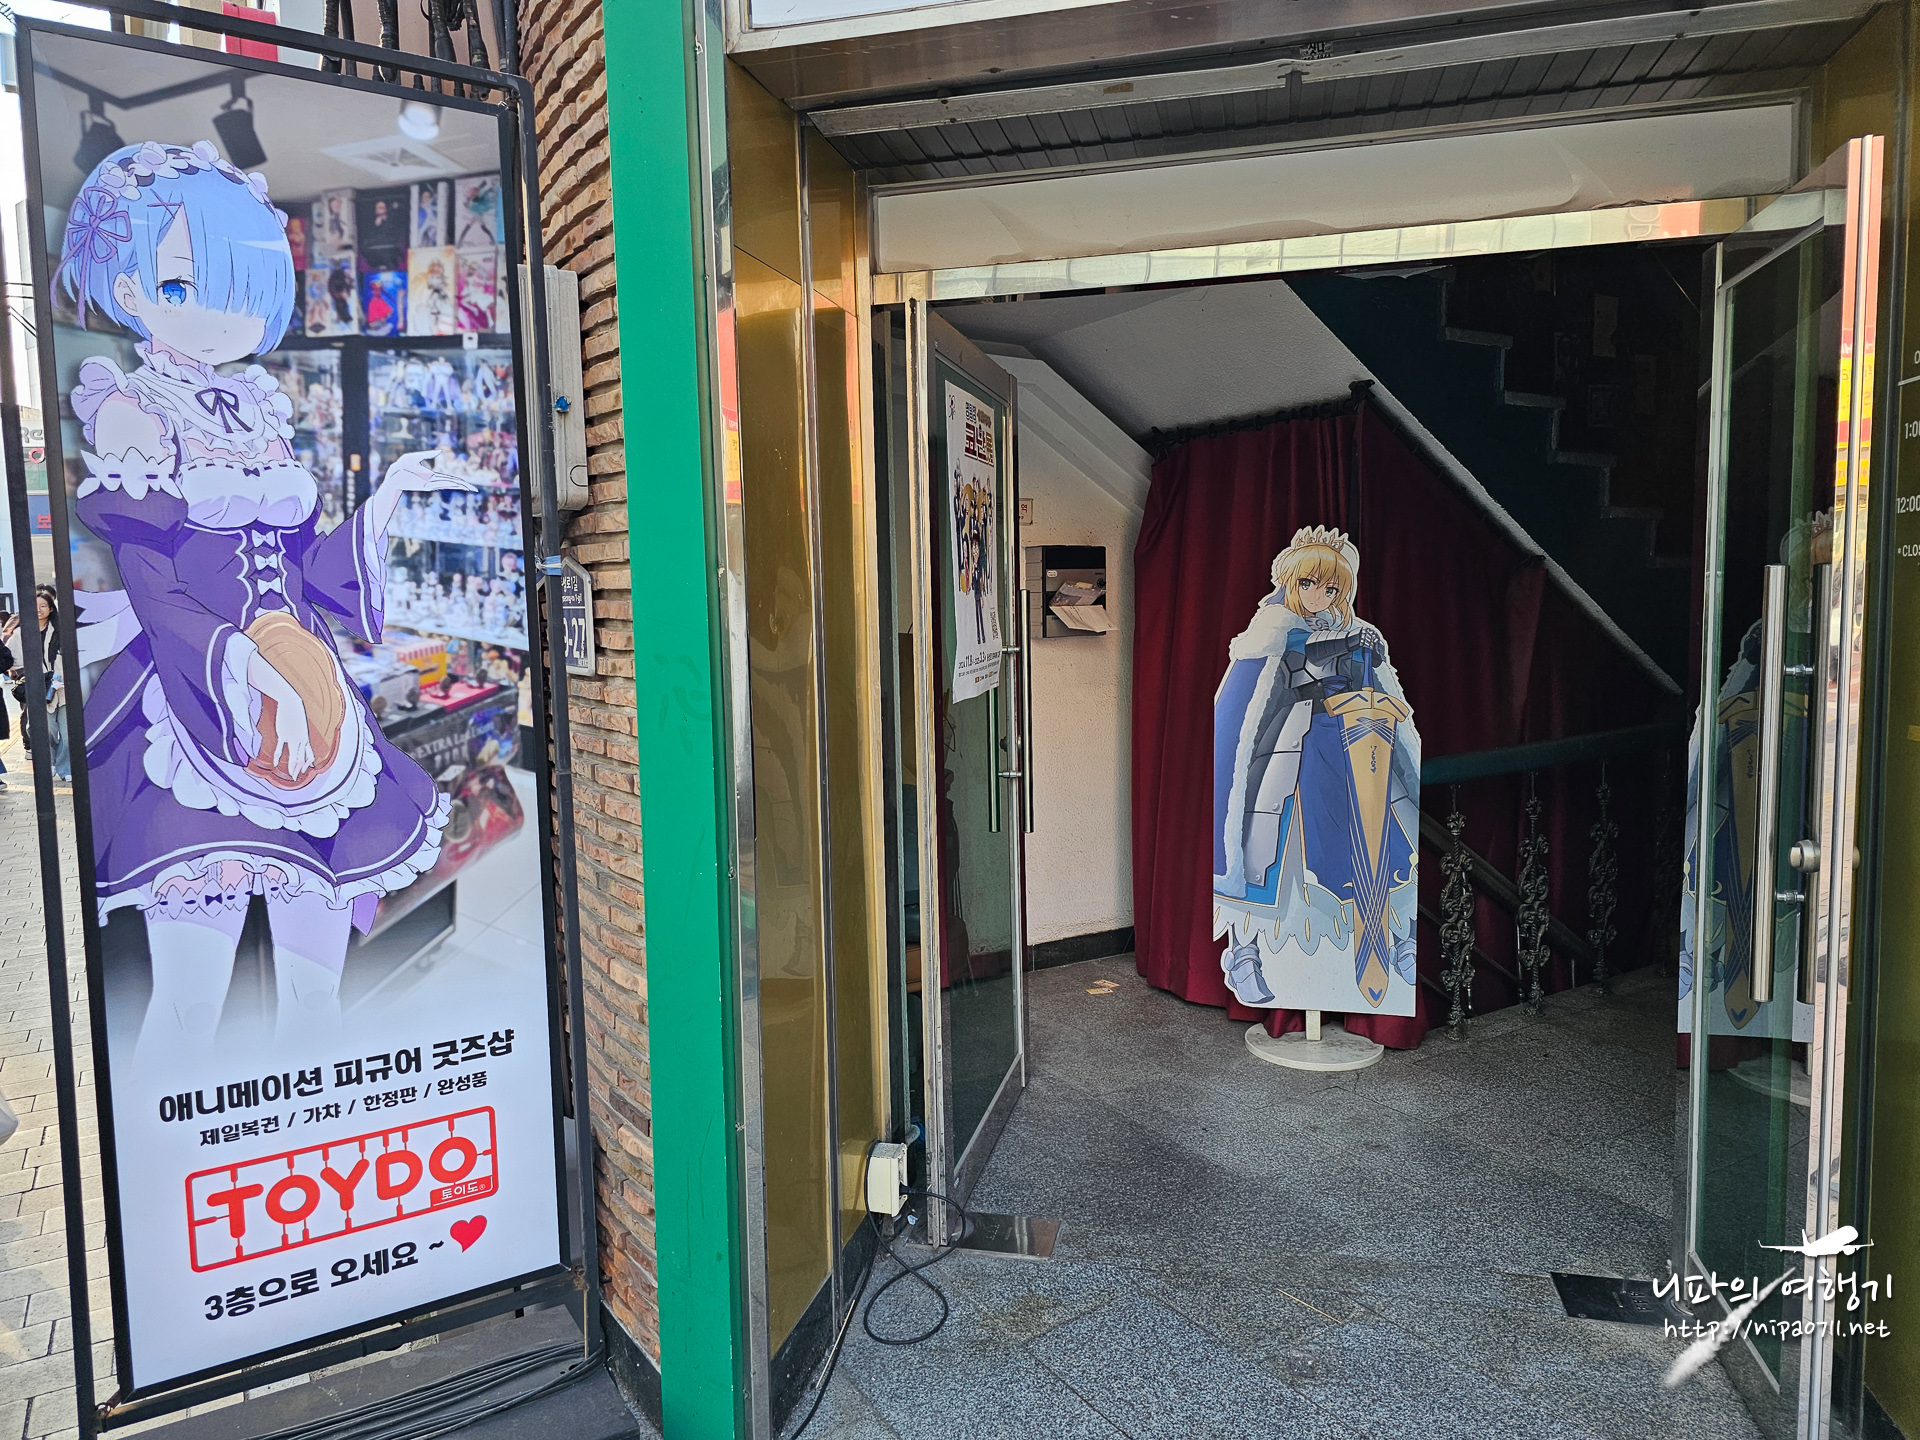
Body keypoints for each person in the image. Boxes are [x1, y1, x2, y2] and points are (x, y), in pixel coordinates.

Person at [57, 139, 468, 1067]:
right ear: (129, 291)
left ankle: (311, 1123)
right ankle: (189, 1140)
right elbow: (153, 588)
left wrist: (390, 495)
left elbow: (308, 569)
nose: (218, 313)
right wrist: (241, 664)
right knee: (190, 1003)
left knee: (317, 990)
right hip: (198, 702)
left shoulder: (259, 405)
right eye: (183, 285)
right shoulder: (130, 410)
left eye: (241, 288)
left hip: (311, 693)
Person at [1211, 526, 1421, 1011]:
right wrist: (1340, 648)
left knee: (1389, 838)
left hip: (1352, 749)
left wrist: (1369, 654)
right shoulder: (1270, 628)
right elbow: (1282, 667)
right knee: (1263, 850)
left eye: (1329, 588)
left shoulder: (1353, 629)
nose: (1317, 596)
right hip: (1290, 750)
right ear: (1290, 581)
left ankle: (1399, 937)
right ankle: (1245, 952)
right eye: (1308, 583)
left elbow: (1375, 689)